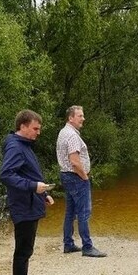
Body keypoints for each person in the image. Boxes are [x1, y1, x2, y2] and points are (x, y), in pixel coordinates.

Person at [0, 110, 55, 275]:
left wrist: (42, 194)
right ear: (22, 126)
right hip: (23, 206)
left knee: (26, 251)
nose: (38, 132)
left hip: (30, 202)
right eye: (35, 128)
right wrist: (33, 186)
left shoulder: (24, 145)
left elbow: (27, 173)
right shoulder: (15, 146)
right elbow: (5, 175)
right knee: (22, 252)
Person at [56, 105, 106, 258]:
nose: (83, 118)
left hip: (67, 176)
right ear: (70, 118)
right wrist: (84, 176)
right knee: (84, 212)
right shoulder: (71, 135)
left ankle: (68, 244)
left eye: (83, 115)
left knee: (70, 211)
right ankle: (87, 247)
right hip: (76, 176)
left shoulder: (64, 132)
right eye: (80, 116)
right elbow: (75, 161)